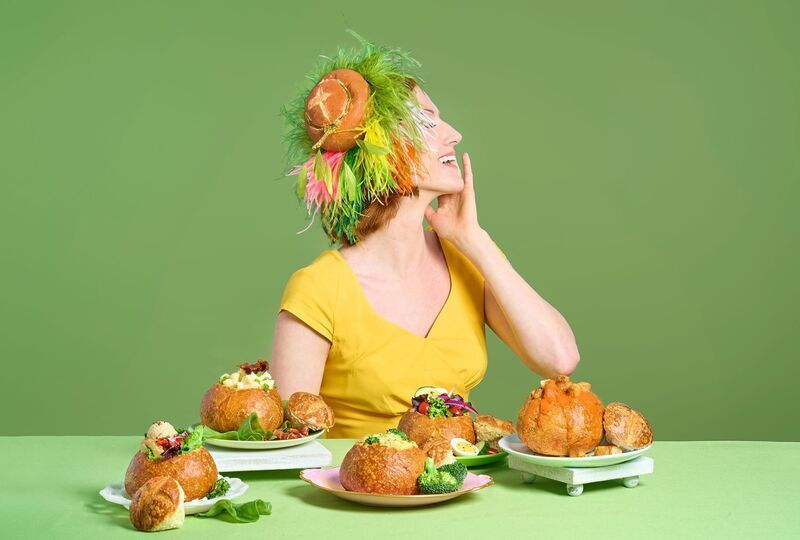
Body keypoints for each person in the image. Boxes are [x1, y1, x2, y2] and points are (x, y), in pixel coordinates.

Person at [270, 32, 579, 438]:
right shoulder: (318, 289)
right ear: (384, 150)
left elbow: (558, 359)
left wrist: (475, 241)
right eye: (428, 122)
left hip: (462, 488)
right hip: (361, 493)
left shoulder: (467, 258)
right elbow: (287, 443)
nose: (452, 133)